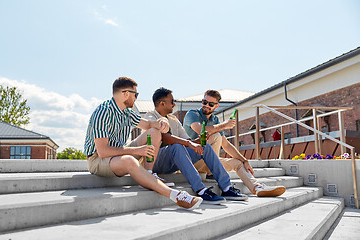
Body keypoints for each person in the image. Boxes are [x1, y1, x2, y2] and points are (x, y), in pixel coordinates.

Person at [83, 77, 202, 210]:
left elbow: (148, 124)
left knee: (155, 132)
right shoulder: (103, 112)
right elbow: (103, 151)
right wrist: (137, 150)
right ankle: (177, 196)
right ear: (126, 94)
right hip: (98, 160)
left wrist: (161, 122)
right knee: (129, 160)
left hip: (118, 153)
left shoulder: (127, 112)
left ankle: (149, 173)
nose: (136, 98)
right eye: (136, 94)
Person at [144, 87, 248, 204]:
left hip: (173, 160)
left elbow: (187, 140)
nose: (174, 104)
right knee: (177, 146)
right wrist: (189, 143)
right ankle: (201, 190)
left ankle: (226, 188)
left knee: (205, 147)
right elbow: (165, 137)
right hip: (155, 161)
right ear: (162, 103)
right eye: (172, 102)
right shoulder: (150, 117)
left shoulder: (174, 120)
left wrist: (198, 141)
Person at [183, 89, 286, 197]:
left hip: (208, 161)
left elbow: (226, 145)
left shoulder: (215, 120)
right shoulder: (192, 114)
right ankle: (212, 172)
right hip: (191, 161)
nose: (206, 105)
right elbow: (201, 131)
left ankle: (257, 188)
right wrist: (224, 125)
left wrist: (245, 160)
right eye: (204, 102)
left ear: (216, 106)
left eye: (211, 104)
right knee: (215, 136)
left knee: (238, 163)